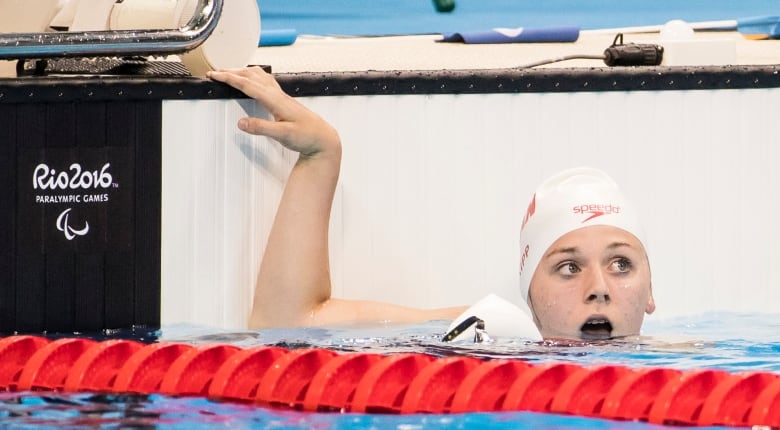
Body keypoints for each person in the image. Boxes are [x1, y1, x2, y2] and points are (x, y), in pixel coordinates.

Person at [207, 66, 656, 342]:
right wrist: (321, 156)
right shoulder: (492, 334)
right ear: (529, 295)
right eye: (568, 267)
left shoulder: (696, 365)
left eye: (621, 264)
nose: (599, 287)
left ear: (651, 293)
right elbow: (286, 323)